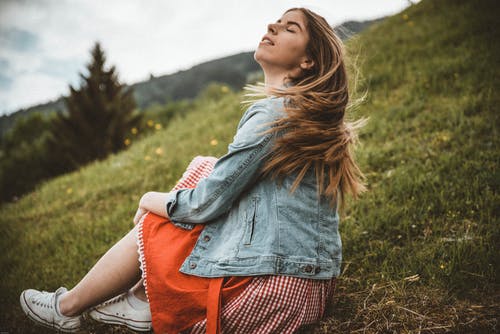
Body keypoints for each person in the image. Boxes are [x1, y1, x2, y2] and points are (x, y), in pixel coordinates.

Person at [20, 7, 366, 334]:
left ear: (308, 61)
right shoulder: (303, 115)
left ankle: (68, 307)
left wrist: (149, 199)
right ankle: (142, 297)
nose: (272, 27)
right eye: (276, 21)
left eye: (290, 28)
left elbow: (204, 205)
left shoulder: (275, 116)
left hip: (274, 291)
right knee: (204, 168)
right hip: (310, 288)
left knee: (163, 214)